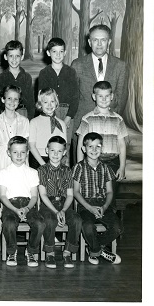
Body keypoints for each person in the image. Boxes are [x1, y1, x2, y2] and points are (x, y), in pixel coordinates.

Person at [71, 24, 127, 159]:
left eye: (103, 40)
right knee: (84, 174)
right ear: (89, 42)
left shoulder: (120, 65)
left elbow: (122, 97)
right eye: (95, 40)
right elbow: (74, 98)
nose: (99, 44)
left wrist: (113, 121)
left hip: (110, 129)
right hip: (85, 127)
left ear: (109, 41)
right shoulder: (77, 65)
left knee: (108, 173)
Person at [72, 132, 122, 265]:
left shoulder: (106, 168)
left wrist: (104, 207)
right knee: (87, 226)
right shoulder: (78, 168)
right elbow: (76, 192)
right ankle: (98, 250)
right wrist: (89, 207)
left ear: (102, 148)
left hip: (103, 205)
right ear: (84, 149)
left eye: (98, 146)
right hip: (85, 205)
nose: (94, 150)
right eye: (90, 147)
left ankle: (95, 249)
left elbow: (110, 192)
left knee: (117, 228)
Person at [0, 136, 45, 267]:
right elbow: (2, 196)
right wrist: (15, 210)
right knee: (9, 223)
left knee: (40, 223)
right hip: (10, 205)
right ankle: (12, 252)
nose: (19, 155)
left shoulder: (32, 172)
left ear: (27, 153)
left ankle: (31, 251)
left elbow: (34, 197)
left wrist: (27, 208)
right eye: (15, 152)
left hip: (28, 204)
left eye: (22, 152)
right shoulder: (3, 173)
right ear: (8, 153)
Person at [38, 136, 82, 269]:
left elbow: (70, 195)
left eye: (59, 151)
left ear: (64, 153)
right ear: (47, 150)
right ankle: (50, 253)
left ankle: (67, 252)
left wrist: (63, 210)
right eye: (52, 150)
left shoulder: (68, 171)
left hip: (64, 204)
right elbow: (43, 195)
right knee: (50, 221)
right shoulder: (42, 170)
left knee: (76, 220)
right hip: (48, 204)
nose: (56, 154)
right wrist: (56, 211)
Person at [76, 81, 128, 182]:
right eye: (100, 96)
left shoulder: (119, 119)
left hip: (113, 163)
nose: (104, 99)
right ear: (94, 97)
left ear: (112, 96)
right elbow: (80, 145)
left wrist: (122, 167)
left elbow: (122, 145)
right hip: (92, 163)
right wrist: (80, 168)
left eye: (107, 96)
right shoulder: (87, 118)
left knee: (110, 195)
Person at [38, 38, 79, 160]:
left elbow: (75, 98)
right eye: (54, 51)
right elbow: (41, 97)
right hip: (49, 112)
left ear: (65, 52)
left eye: (61, 51)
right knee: (50, 144)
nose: (58, 55)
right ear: (48, 53)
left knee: (65, 146)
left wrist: (68, 118)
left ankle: (64, 175)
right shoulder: (44, 73)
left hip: (67, 113)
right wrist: (48, 116)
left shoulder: (71, 72)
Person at [0, 85, 29, 172]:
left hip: (19, 158)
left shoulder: (24, 121)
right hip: (1, 159)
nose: (12, 101)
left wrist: (27, 165)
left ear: (19, 102)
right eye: (9, 98)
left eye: (16, 99)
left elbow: (26, 146)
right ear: (3, 99)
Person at [0, 40, 34, 120]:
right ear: (5, 57)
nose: (14, 59)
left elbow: (31, 102)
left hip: (23, 114)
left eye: (17, 56)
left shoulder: (27, 77)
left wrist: (30, 120)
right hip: (6, 113)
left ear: (22, 57)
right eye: (11, 56)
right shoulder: (1, 77)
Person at [28, 88, 66, 169]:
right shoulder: (34, 122)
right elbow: (31, 146)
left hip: (55, 160)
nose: (49, 105)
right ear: (40, 104)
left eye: (52, 101)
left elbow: (63, 147)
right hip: (36, 160)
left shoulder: (61, 124)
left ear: (56, 103)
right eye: (45, 102)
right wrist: (44, 165)